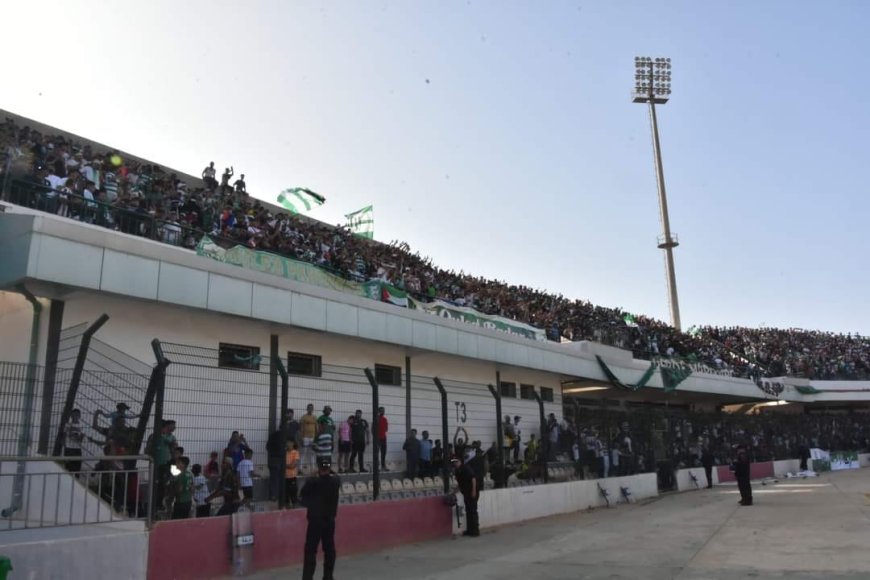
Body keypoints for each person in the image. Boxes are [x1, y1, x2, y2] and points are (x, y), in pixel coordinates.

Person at [300, 457, 340, 580]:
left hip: (315, 521)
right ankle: (328, 576)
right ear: (329, 468)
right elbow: (335, 476)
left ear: (318, 468)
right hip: (329, 520)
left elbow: (302, 493)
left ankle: (307, 577)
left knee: (310, 550)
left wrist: (313, 475)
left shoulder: (313, 482)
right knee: (329, 550)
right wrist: (329, 470)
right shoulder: (335, 482)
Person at [452, 455, 479, 537]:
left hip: (472, 492)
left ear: (460, 461)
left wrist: (473, 491)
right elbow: (460, 484)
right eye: (454, 462)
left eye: (456, 462)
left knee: (473, 511)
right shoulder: (457, 471)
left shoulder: (466, 468)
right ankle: (470, 530)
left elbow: (473, 479)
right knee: (468, 511)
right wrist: (454, 492)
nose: (455, 464)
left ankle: (475, 531)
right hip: (466, 492)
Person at [266, 426, 286, 500]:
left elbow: (267, 447)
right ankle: (278, 495)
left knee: (274, 478)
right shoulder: (283, 436)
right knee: (280, 478)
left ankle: (273, 495)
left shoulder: (273, 435)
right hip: (279, 459)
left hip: (272, 459)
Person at [62, 409, 85, 473]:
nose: (75, 416)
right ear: (71, 416)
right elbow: (65, 435)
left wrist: (74, 435)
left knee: (77, 468)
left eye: (77, 415)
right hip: (69, 448)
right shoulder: (67, 425)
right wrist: (65, 446)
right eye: (73, 414)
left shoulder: (82, 425)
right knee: (68, 468)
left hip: (77, 449)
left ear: (79, 416)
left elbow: (80, 439)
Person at [300, 404, 318, 472]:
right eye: (309, 408)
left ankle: (312, 469)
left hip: (312, 437)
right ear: (307, 409)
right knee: (303, 453)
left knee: (312, 453)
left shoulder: (314, 417)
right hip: (305, 437)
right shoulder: (303, 417)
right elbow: (301, 428)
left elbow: (317, 428)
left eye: (311, 408)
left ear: (313, 409)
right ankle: (300, 468)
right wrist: (301, 437)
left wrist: (316, 438)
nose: (310, 409)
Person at [285, 441, 300, 507]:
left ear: (293, 444)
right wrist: (288, 465)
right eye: (287, 443)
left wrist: (285, 465)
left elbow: (293, 466)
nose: (288, 444)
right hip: (285, 476)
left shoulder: (295, 452)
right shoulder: (284, 452)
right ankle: (287, 504)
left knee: (293, 491)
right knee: (286, 493)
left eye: (290, 443)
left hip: (292, 476)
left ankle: (294, 504)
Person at [376, 407, 388, 471]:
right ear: (378, 411)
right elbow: (373, 429)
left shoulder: (385, 419)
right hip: (377, 439)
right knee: (376, 453)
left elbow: (386, 429)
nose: (382, 412)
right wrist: (376, 437)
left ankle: (383, 466)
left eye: (383, 411)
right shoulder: (376, 419)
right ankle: (376, 467)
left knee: (383, 453)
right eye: (381, 411)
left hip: (384, 438)